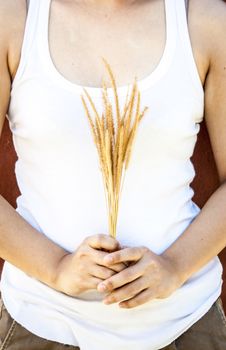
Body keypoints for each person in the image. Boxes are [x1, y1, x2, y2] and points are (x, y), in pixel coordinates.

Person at [0, 0, 226, 349]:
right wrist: (56, 267)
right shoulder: (16, 18)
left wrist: (175, 266)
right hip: (43, 321)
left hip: (184, 320)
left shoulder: (204, 20)